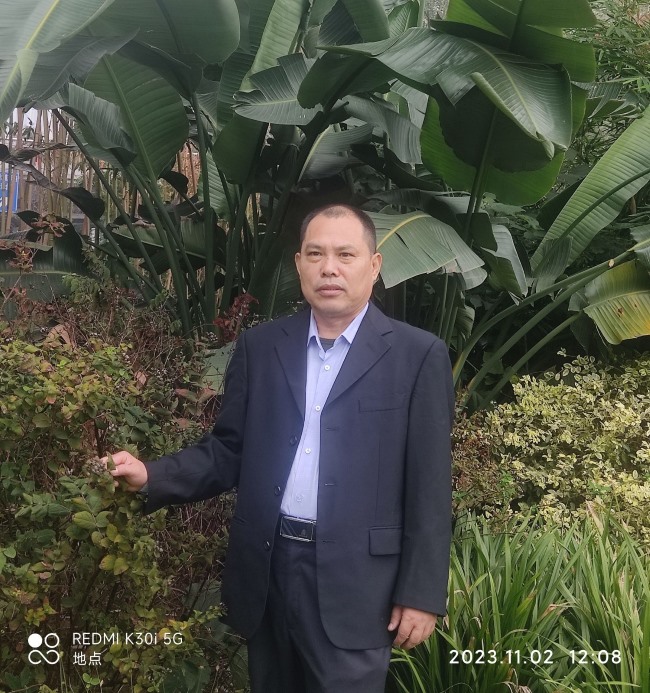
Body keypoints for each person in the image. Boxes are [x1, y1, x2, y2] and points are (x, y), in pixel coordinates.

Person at [105, 204, 454, 693]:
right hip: (268, 569)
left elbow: (430, 487)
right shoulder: (262, 347)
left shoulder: (417, 356)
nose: (329, 268)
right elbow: (228, 450)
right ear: (299, 264)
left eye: (345, 254)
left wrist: (420, 593)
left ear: (374, 266)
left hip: (357, 583)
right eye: (315, 254)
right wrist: (151, 475)